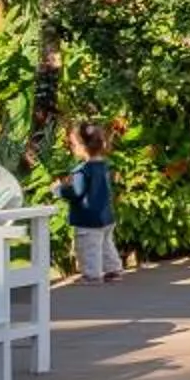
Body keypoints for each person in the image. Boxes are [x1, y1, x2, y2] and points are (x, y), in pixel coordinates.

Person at [58, 121, 123, 283]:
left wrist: (59, 189)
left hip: (88, 219)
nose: (71, 148)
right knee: (106, 244)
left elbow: (76, 192)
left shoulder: (82, 170)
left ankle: (92, 275)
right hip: (106, 215)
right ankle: (113, 269)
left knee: (89, 247)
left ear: (82, 147)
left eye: (73, 144)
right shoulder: (103, 166)